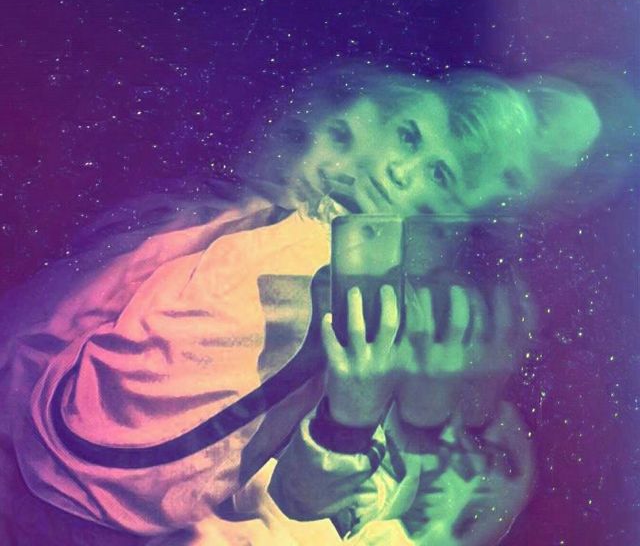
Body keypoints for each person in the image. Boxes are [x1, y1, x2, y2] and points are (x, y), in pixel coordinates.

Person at [0, 64, 634, 544]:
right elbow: (59, 357)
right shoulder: (264, 234)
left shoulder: (464, 313)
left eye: (442, 174)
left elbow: (359, 487)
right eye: (406, 140)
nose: (399, 173)